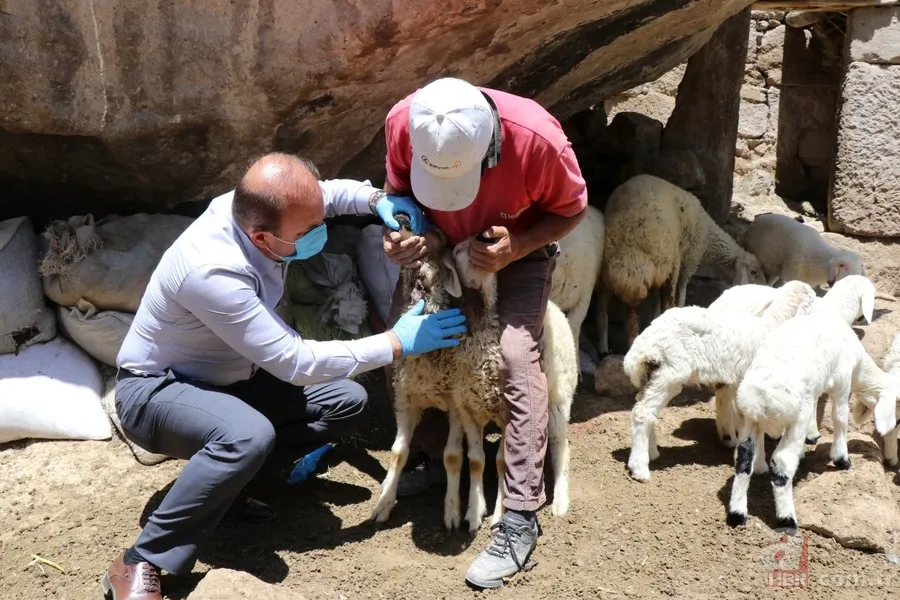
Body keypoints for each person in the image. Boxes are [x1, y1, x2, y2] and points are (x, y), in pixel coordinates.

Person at [101, 152, 464, 600]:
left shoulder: (256, 210)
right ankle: (142, 559)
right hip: (158, 390)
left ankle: (227, 488)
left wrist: (375, 200)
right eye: (308, 232)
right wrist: (397, 342)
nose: (320, 233)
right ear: (260, 236)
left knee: (345, 399)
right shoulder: (213, 270)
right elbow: (295, 363)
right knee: (246, 436)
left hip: (235, 376)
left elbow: (323, 197)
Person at [381, 77, 588, 589]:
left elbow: (571, 209)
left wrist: (515, 248)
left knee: (517, 355)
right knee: (409, 340)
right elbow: (399, 197)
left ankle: (518, 514)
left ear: (489, 145)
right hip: (437, 247)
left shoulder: (536, 139)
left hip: (516, 251)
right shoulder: (405, 122)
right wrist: (404, 236)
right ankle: (431, 457)